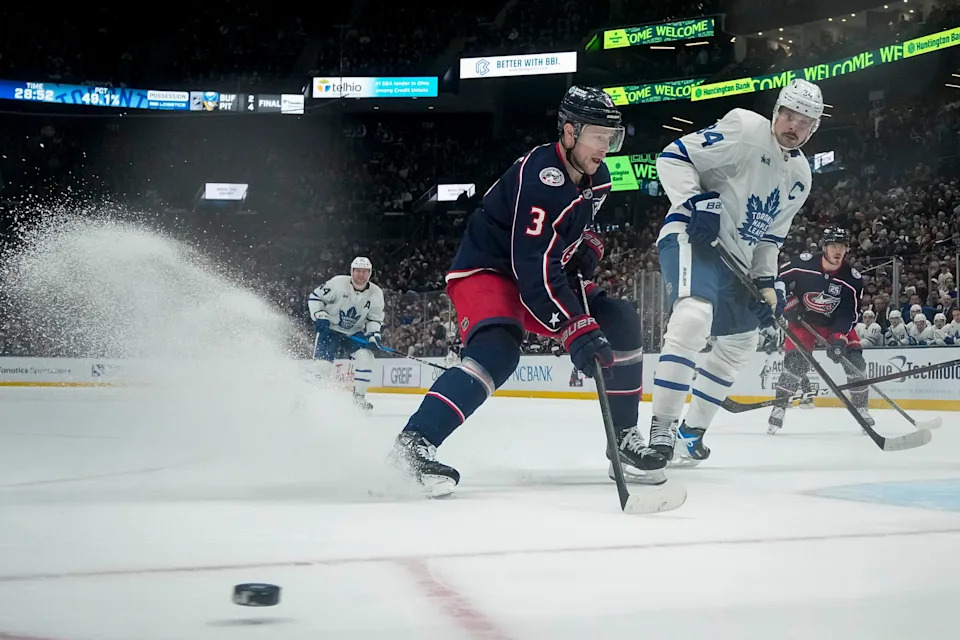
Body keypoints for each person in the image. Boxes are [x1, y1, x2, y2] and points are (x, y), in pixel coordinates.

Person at [391, 86, 646, 496]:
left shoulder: (598, 178)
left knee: (620, 320)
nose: (605, 147)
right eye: (598, 135)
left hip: (539, 270)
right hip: (488, 269)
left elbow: (565, 237)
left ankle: (624, 436)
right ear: (569, 131)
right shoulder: (542, 179)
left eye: (610, 137)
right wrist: (574, 327)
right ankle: (413, 444)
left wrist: (586, 245)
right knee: (498, 350)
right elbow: (533, 267)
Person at [652, 78, 822, 468]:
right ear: (777, 110)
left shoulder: (801, 176)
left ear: (814, 129)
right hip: (693, 239)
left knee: (740, 343)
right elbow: (672, 157)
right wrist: (697, 203)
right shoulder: (745, 129)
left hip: (738, 263)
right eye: (790, 115)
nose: (795, 126)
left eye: (805, 122)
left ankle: (689, 435)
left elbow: (770, 240)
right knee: (693, 317)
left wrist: (768, 284)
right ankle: (661, 430)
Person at [768, 227, 873, 434]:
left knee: (855, 362)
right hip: (803, 320)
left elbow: (849, 314)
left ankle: (861, 409)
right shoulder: (803, 263)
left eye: (842, 247)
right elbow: (778, 280)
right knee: (794, 364)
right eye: (834, 246)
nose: (838, 251)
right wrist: (786, 302)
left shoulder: (852, 278)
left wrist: (839, 338)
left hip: (834, 324)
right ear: (824, 247)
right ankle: (779, 408)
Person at [307, 257, 384, 410]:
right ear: (351, 271)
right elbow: (315, 297)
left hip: (354, 332)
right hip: (330, 330)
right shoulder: (338, 283)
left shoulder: (376, 293)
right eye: (357, 271)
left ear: (370, 273)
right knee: (323, 367)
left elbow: (374, 318)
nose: (360, 275)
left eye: (364, 271)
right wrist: (319, 315)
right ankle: (305, 397)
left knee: (366, 357)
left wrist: (373, 335)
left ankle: (359, 398)